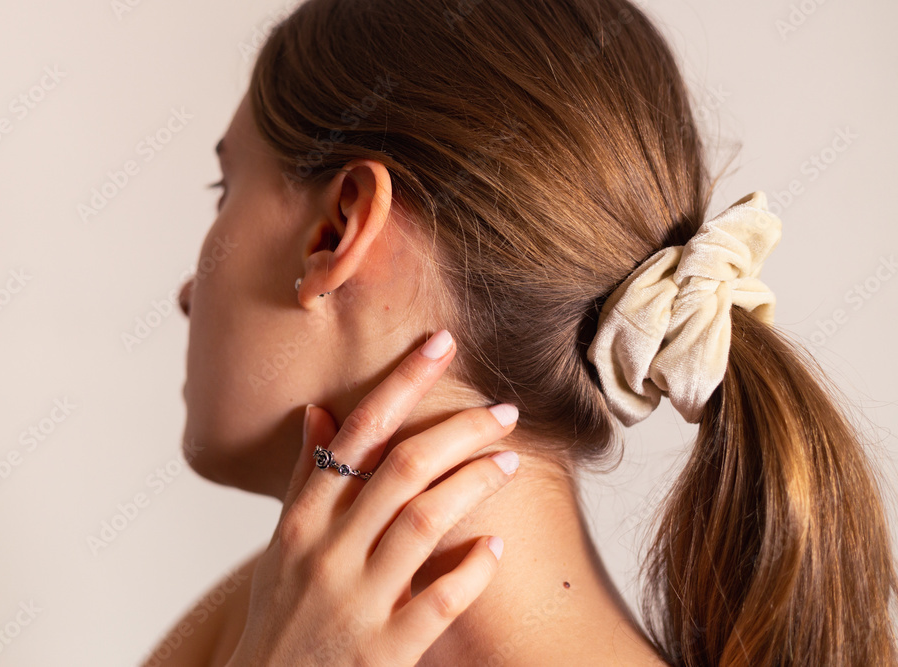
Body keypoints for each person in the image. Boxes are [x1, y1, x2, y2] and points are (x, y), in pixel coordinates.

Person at [144, 0, 898, 664]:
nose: (185, 291)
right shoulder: (280, 607)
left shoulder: (253, 630)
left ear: (338, 230)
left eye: (226, 189)